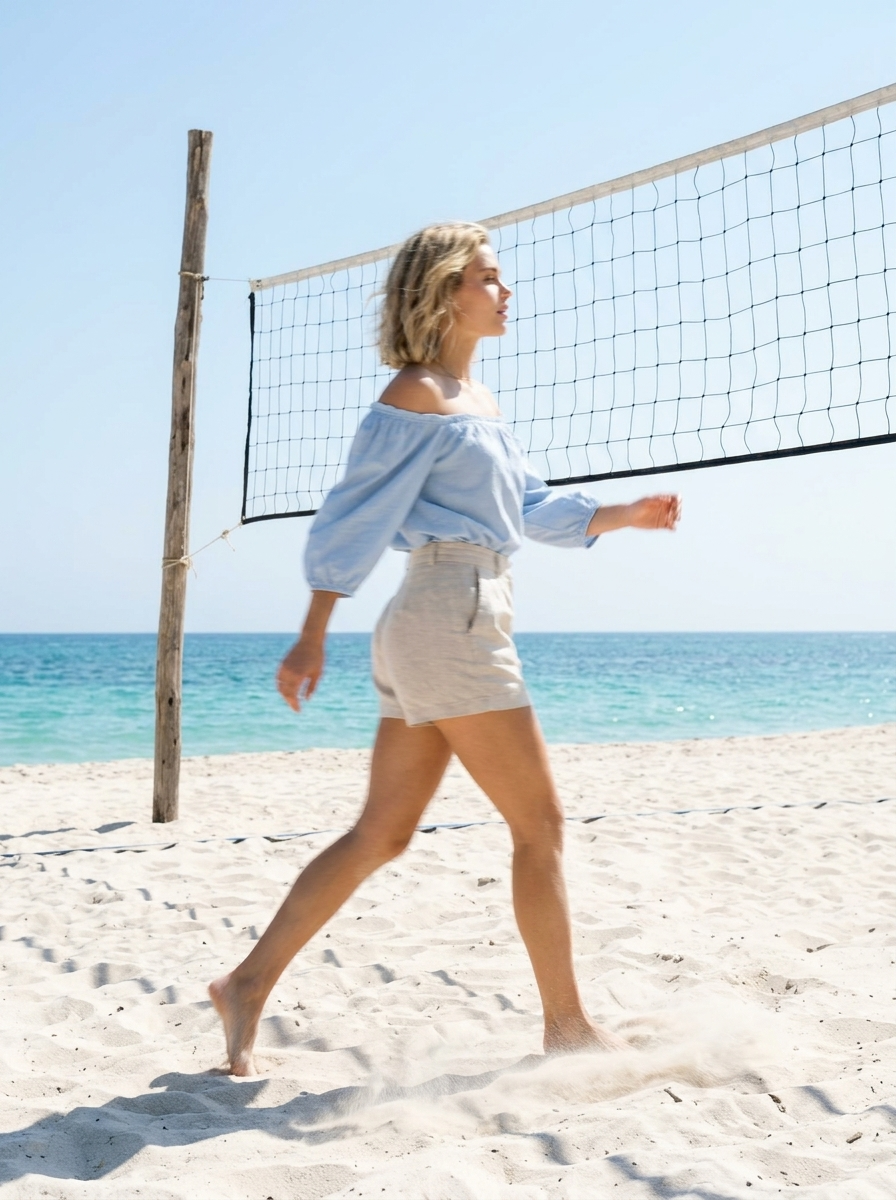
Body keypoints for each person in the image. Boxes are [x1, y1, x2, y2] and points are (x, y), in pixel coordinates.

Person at [210, 222, 681, 1076]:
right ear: (444, 292)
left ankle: (244, 985)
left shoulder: (478, 406)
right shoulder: (415, 395)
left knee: (381, 835)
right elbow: (352, 519)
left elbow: (528, 509)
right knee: (540, 826)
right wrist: (311, 634)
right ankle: (567, 1026)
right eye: (490, 278)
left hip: (450, 616)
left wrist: (624, 515)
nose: (508, 292)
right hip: (448, 614)